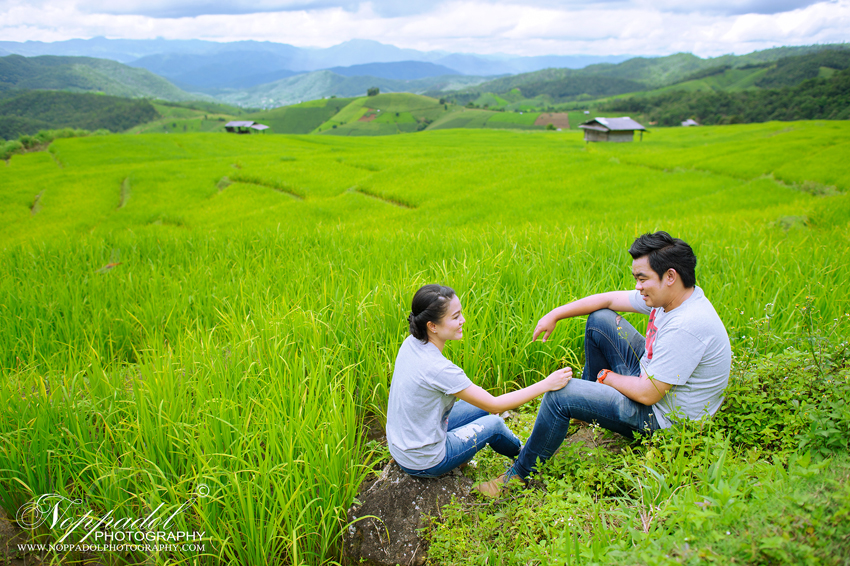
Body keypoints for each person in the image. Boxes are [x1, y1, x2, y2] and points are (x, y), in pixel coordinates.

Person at [476, 231, 732, 496]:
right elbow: (608, 300)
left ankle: (517, 476)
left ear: (670, 276)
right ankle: (582, 411)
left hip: (663, 418)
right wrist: (555, 314)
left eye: (642, 279)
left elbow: (648, 394)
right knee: (600, 320)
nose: (638, 287)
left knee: (560, 395)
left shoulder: (687, 325)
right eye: (636, 279)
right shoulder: (675, 296)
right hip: (650, 377)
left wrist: (606, 377)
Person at [386, 284, 572, 478]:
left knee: (480, 406)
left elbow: (487, 403)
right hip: (425, 460)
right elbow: (495, 405)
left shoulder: (412, 343)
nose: (463, 320)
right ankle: (528, 458)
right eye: (455, 316)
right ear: (432, 326)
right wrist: (547, 384)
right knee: (495, 424)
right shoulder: (438, 368)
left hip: (405, 445)